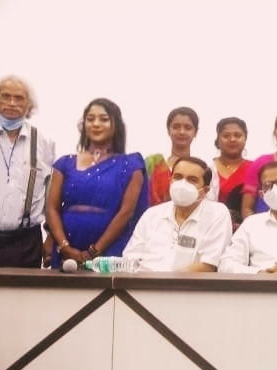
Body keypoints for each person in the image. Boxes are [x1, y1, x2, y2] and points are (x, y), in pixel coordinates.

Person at [0, 75, 56, 269]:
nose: (12, 103)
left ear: (29, 105)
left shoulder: (43, 142)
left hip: (27, 242)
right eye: (6, 96)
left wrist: (50, 236)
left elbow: (51, 196)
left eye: (19, 98)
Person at [46, 98, 149, 267]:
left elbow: (126, 213)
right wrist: (64, 246)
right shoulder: (64, 163)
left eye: (104, 119)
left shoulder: (131, 164)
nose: (96, 124)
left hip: (110, 250)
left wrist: (93, 252)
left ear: (116, 124)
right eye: (90, 119)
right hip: (66, 251)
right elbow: (52, 208)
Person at [123, 157, 232, 271]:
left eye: (192, 180)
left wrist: (163, 281)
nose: (182, 184)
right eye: (178, 177)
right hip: (141, 280)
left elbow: (208, 266)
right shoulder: (151, 215)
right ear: (170, 181)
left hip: (184, 282)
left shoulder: (217, 214)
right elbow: (129, 259)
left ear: (205, 191)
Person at [146, 107, 217, 205]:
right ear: (168, 130)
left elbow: (210, 200)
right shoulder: (153, 163)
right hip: (154, 214)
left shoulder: (205, 167)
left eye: (188, 128)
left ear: (195, 132)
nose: (182, 132)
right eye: (176, 127)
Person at [212, 117, 251, 228]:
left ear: (245, 139)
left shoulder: (254, 168)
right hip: (211, 228)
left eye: (237, 135)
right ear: (218, 139)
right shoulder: (207, 168)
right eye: (226, 136)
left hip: (245, 228)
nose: (232, 139)